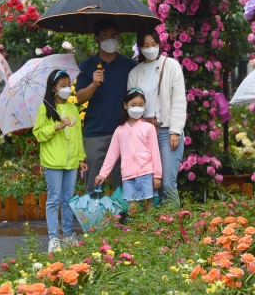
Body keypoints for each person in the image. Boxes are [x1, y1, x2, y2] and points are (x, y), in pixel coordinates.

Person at [75, 19, 137, 193]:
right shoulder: (87, 65)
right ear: (97, 39)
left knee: (124, 183)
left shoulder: (130, 66)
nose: (110, 40)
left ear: (118, 37)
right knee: (93, 183)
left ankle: (125, 219)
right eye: (105, 37)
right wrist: (94, 84)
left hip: (124, 131)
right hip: (96, 132)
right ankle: (93, 219)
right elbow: (79, 97)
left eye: (113, 36)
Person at [127, 27, 186, 206]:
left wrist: (175, 130)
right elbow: (130, 105)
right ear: (140, 47)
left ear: (159, 44)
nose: (150, 48)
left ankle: (175, 226)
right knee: (149, 184)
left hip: (167, 131)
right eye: (146, 45)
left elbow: (179, 100)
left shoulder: (172, 66)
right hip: (145, 133)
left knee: (167, 182)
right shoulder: (135, 73)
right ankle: (156, 228)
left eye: (154, 44)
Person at [33, 69, 87, 253]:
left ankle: (69, 235)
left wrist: (80, 158)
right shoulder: (45, 109)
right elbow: (39, 134)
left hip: (71, 162)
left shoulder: (73, 108)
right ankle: (54, 237)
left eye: (69, 84)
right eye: (63, 85)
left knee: (68, 199)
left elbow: (78, 135)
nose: (67, 88)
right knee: (54, 199)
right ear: (54, 88)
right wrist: (58, 126)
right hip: (53, 162)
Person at [94, 89, 162, 213]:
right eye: (133, 105)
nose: (137, 108)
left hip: (146, 173)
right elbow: (111, 155)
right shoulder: (119, 130)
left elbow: (155, 152)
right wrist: (103, 173)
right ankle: (135, 231)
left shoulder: (148, 128)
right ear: (125, 105)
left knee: (149, 204)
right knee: (132, 208)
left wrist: (157, 175)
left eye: (141, 105)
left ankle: (149, 230)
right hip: (128, 176)